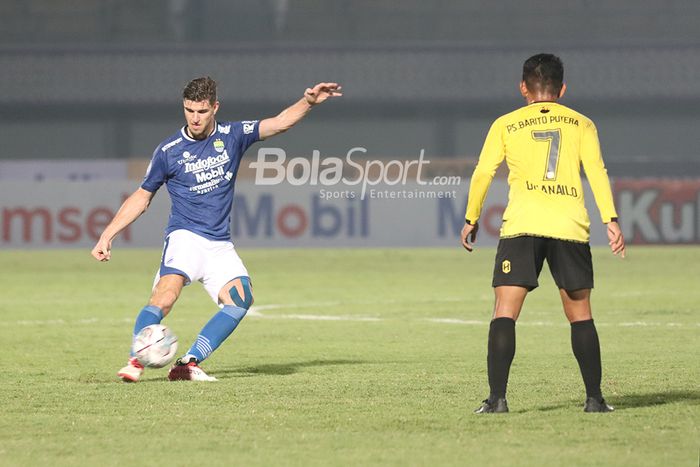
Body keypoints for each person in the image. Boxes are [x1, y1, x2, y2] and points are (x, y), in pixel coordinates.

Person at [92, 77, 342, 382]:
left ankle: (187, 364)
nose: (194, 118)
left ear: (215, 108)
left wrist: (308, 102)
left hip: (219, 244)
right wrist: (108, 234)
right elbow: (142, 197)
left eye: (202, 111)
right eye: (189, 110)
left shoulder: (233, 135)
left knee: (241, 299)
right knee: (165, 297)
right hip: (184, 238)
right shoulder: (169, 150)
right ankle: (136, 359)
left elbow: (278, 123)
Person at [460, 54, 625, 413]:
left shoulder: (505, 124)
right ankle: (595, 400)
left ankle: (497, 400)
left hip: (522, 225)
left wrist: (471, 217)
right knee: (580, 312)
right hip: (569, 225)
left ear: (523, 88)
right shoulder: (582, 123)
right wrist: (610, 218)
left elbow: (483, 172)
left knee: (505, 309)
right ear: (562, 89)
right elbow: (597, 171)